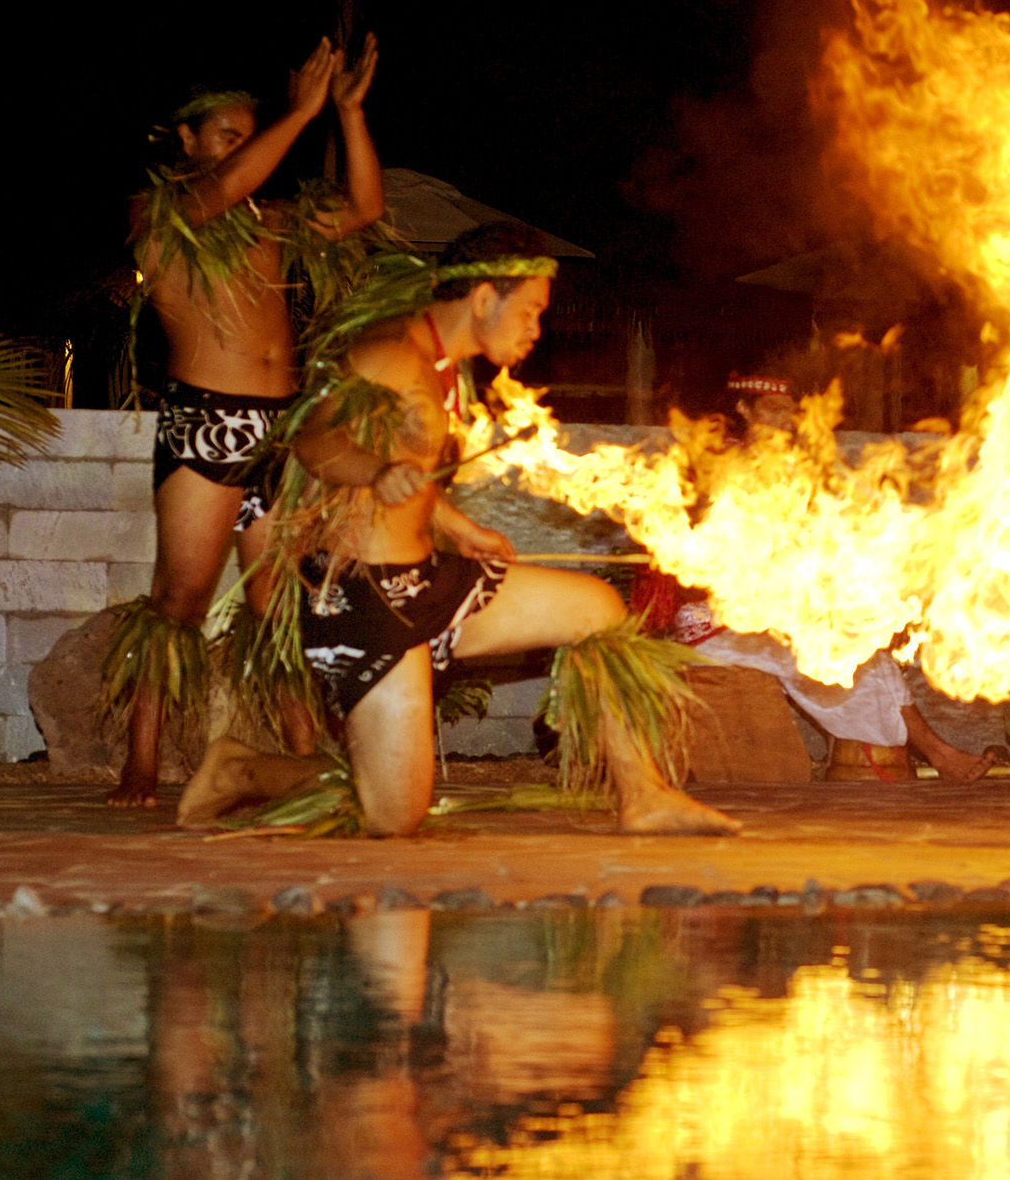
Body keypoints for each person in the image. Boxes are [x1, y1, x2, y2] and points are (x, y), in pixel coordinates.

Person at [177, 223, 738, 837]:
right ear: (481, 299)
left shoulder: (446, 372)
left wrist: (454, 523)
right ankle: (243, 771)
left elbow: (412, 470)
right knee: (393, 815)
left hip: (426, 579)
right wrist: (376, 469)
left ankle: (643, 795)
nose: (535, 329)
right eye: (529, 311)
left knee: (597, 608)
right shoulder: (389, 354)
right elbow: (315, 437)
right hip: (367, 598)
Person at [107, 36, 384, 807]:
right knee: (179, 604)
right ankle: (141, 761)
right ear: (188, 140)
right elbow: (224, 188)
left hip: (276, 430)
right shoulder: (161, 215)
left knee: (275, 602)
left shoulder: (271, 223)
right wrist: (299, 114)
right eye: (231, 134)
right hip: (204, 426)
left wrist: (348, 114)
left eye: (249, 132)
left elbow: (364, 209)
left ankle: (307, 758)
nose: (244, 145)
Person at [631, 374, 995, 782]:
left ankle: (929, 756)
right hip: (720, 623)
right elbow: (711, 562)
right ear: (743, 410)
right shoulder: (718, 467)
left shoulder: (802, 470)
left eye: (789, 409)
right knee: (854, 657)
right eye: (772, 408)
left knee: (862, 649)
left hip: (780, 615)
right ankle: (939, 755)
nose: (785, 418)